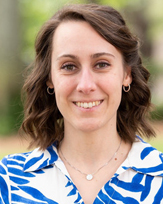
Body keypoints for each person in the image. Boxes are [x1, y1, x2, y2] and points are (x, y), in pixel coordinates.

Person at [0, 3, 163, 204]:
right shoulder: (7, 181)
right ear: (50, 78)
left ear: (126, 74)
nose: (85, 85)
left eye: (102, 64)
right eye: (69, 66)